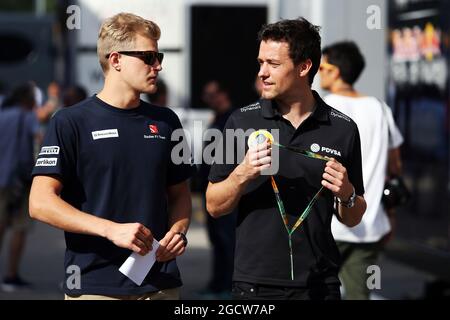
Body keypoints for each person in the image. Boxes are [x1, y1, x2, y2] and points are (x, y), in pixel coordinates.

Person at [29, 12, 195, 300]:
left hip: (161, 284)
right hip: (95, 286)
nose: (157, 66)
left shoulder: (166, 121)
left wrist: (178, 231)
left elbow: (181, 194)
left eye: (159, 57)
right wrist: (110, 230)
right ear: (116, 60)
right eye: (148, 57)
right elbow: (40, 202)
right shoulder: (70, 122)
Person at [206, 18, 367, 300]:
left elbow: (353, 218)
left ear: (304, 67)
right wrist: (243, 172)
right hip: (254, 285)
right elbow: (214, 206)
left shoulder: (342, 128)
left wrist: (346, 192)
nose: (262, 73)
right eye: (260, 62)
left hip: (320, 286)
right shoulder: (241, 121)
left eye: (273, 64)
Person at [319, 41, 404, 300]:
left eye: (322, 67)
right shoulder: (380, 108)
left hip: (325, 225)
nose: (318, 73)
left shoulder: (321, 108)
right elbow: (396, 166)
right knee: (359, 295)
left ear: (336, 72)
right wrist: (390, 213)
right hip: (368, 225)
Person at [0, 82, 40, 291]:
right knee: (19, 228)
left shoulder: (2, 114)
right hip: (19, 181)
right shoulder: (27, 116)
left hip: (1, 178)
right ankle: (10, 275)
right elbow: (39, 137)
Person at [198, 80, 236, 299]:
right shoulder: (218, 119)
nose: (207, 99)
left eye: (211, 94)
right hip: (210, 190)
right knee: (216, 240)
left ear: (223, 94)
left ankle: (228, 287)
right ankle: (216, 284)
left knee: (227, 240)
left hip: (225, 192)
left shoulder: (234, 119)